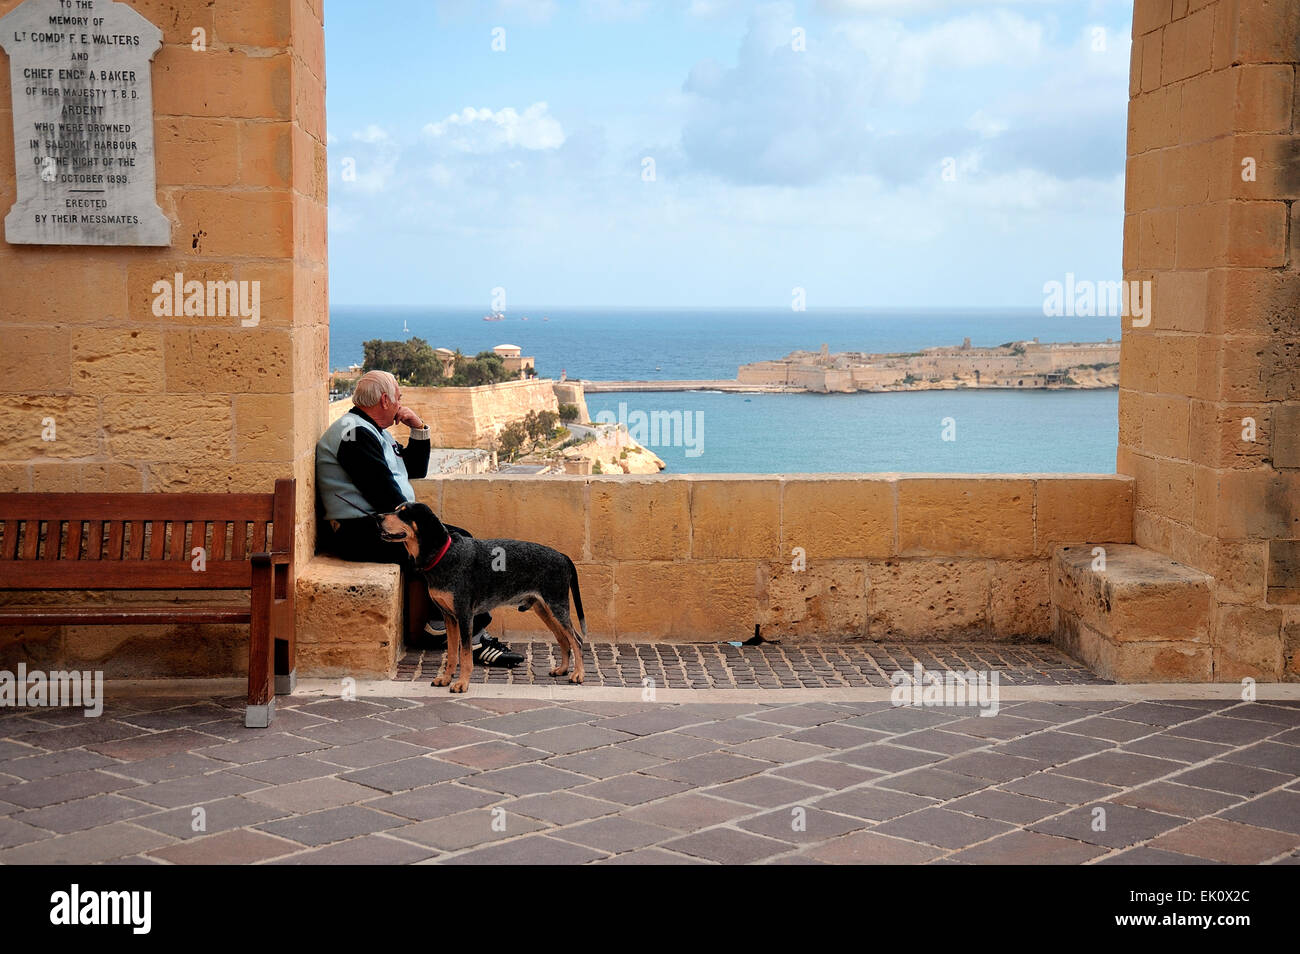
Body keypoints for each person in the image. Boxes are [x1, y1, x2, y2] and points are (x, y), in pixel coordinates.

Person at [315, 370, 523, 667]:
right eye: (399, 396)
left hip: (382, 527)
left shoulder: (370, 429)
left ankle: (442, 623)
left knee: (459, 541)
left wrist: (418, 427)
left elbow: (413, 469)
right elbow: (385, 497)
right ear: (385, 400)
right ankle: (473, 638)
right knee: (457, 549)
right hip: (361, 534)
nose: (402, 401)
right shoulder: (354, 434)